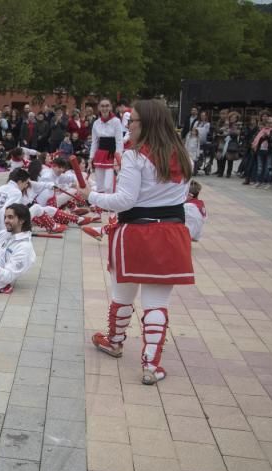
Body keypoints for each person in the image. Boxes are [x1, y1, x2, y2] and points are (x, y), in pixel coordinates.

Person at [77, 99, 193, 385]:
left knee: (123, 294)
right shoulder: (184, 155)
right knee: (157, 302)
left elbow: (124, 200)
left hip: (136, 234)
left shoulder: (135, 156)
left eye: (134, 121)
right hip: (171, 234)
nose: (128, 126)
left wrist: (89, 196)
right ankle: (151, 365)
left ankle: (115, 342)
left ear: (148, 124)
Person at [90, 99, 124, 194]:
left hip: (111, 154)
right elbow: (95, 142)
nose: (105, 108)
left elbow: (119, 141)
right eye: (102, 106)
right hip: (100, 154)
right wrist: (91, 157)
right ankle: (100, 206)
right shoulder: (96, 123)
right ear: (99, 108)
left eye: (107, 105)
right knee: (99, 184)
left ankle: (109, 205)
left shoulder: (116, 121)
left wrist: (118, 157)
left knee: (108, 185)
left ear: (110, 107)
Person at [0, 168, 30, 232]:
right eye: (26, 183)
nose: (26, 186)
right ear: (20, 182)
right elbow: (7, 210)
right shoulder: (17, 192)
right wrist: (6, 231)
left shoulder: (1, 187)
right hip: (3, 226)